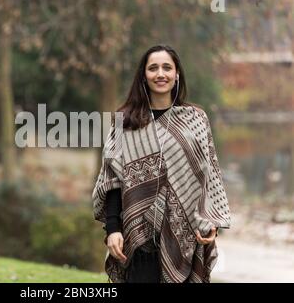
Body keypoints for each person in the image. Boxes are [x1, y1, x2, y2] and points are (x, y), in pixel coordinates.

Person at [92, 44, 231, 283]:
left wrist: (210, 220)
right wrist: (113, 229)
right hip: (139, 238)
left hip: (187, 238)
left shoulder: (195, 119)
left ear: (177, 74)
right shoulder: (125, 121)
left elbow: (209, 177)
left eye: (167, 67)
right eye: (153, 68)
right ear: (144, 76)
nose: (160, 74)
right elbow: (112, 180)